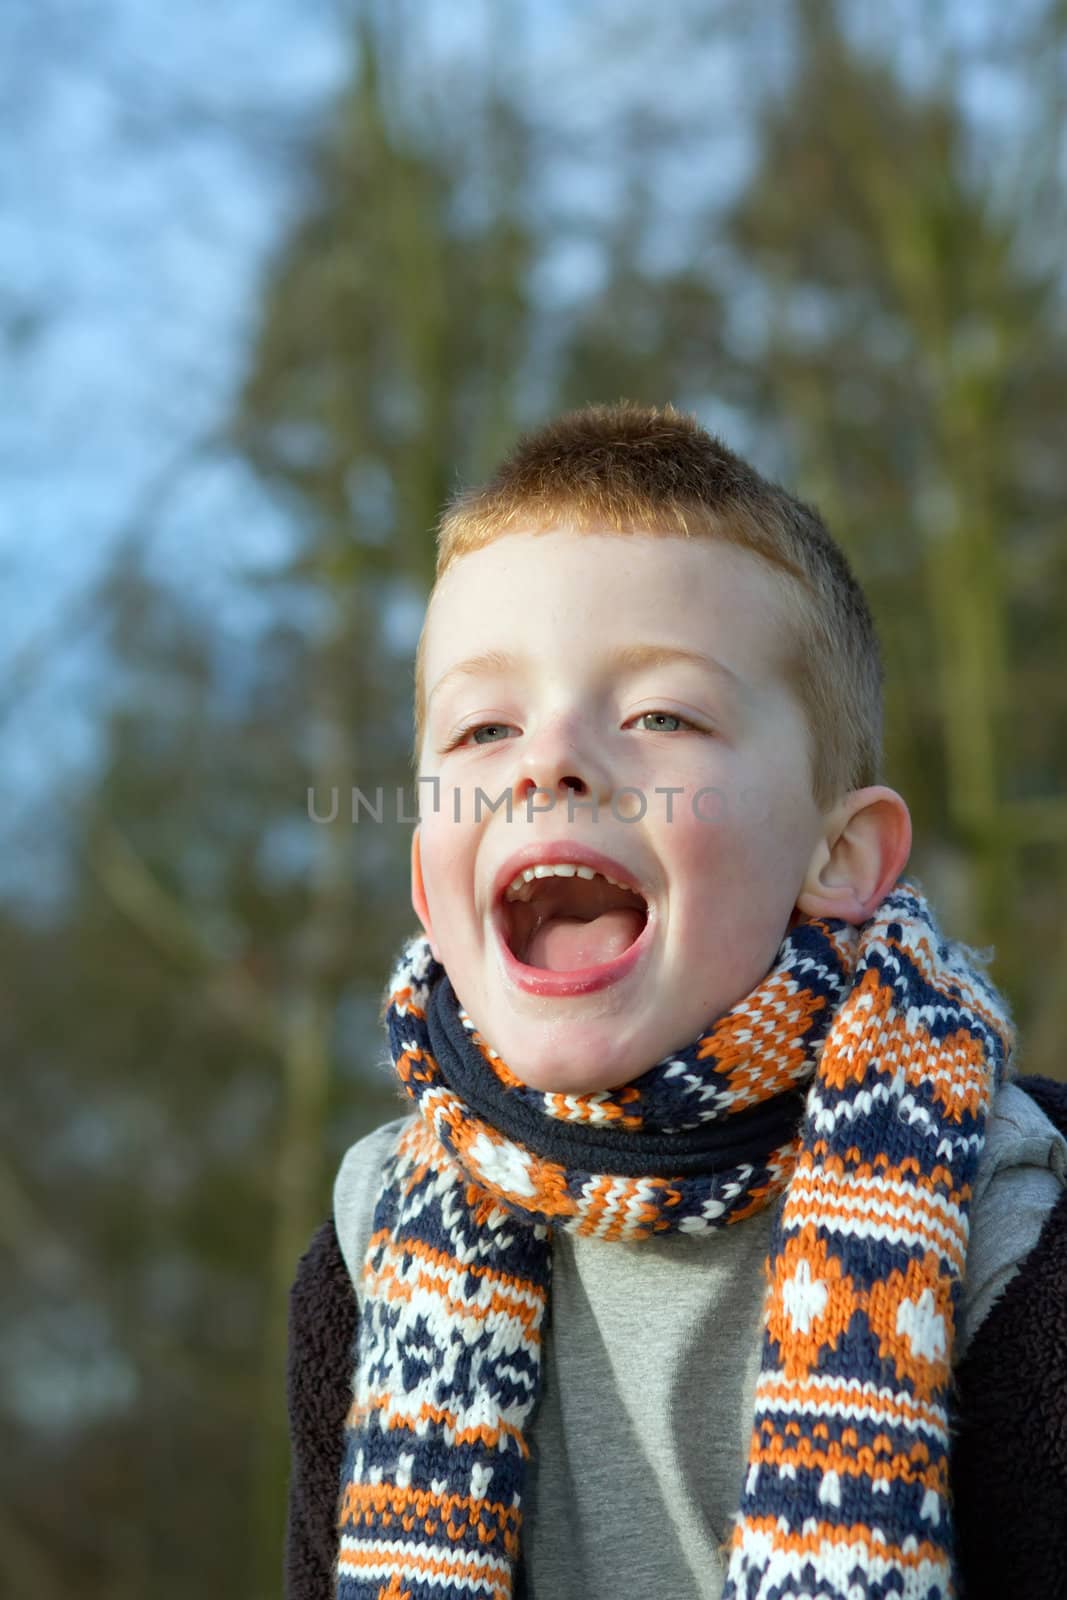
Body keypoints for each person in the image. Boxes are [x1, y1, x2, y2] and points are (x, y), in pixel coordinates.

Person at [286, 403, 1067, 1600]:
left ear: (840, 859)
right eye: (483, 725)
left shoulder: (1008, 1245)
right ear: (426, 889)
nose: (549, 760)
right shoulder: (367, 1256)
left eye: (661, 713)